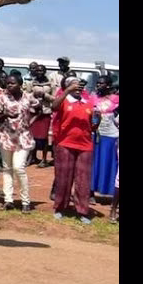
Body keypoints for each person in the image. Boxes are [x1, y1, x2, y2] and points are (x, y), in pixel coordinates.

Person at [51, 77, 96, 223]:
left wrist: (98, 120)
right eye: (74, 85)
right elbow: (54, 106)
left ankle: (82, 210)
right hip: (65, 143)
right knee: (63, 177)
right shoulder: (64, 100)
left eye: (80, 86)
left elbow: (92, 127)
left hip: (85, 145)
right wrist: (66, 92)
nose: (78, 87)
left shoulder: (88, 103)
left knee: (83, 179)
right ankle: (60, 207)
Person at [0, 74, 36, 212]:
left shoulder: (28, 97)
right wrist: (6, 115)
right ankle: (8, 200)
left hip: (23, 137)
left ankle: (25, 201)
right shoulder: (1, 98)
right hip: (6, 136)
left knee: (19, 168)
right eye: (8, 83)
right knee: (7, 168)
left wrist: (30, 121)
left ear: (20, 84)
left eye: (12, 83)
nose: (9, 85)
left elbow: (39, 108)